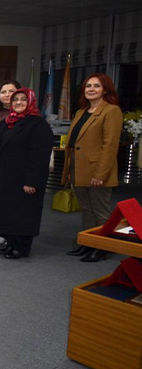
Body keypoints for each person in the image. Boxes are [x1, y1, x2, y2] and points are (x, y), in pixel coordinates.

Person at [62, 73, 123, 262]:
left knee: (100, 212)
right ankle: (88, 243)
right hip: (78, 168)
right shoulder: (82, 111)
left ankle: (103, 247)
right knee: (87, 210)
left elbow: (110, 145)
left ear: (105, 89)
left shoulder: (111, 111)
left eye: (96, 86)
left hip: (97, 171)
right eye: (88, 86)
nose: (91, 89)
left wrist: (101, 174)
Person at [0, 88, 55, 259]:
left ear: (30, 102)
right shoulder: (8, 122)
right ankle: (11, 243)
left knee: (24, 213)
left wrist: (32, 181)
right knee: (10, 212)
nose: (19, 103)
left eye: (23, 99)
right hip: (8, 178)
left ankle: (22, 247)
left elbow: (40, 156)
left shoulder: (38, 124)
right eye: (16, 100)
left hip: (25, 179)